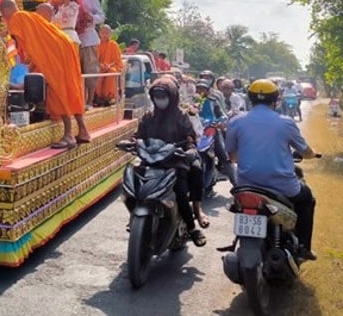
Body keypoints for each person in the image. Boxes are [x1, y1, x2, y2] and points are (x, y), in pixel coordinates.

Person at [226, 79, 318, 260]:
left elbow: (233, 157)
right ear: (276, 100)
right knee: (307, 199)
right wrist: (313, 153)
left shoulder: (236, 121)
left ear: (250, 99)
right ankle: (305, 248)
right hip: (283, 186)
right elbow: (305, 152)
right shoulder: (285, 122)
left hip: (246, 185)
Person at [0, 0, 90, 147]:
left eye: (3, 15)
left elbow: (13, 39)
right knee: (70, 88)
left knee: (58, 90)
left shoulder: (17, 17)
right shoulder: (30, 17)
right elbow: (38, 45)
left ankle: (68, 136)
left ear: (6, 10)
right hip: (64, 47)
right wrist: (31, 64)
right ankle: (83, 131)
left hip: (56, 53)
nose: (4, 19)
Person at [135, 79, 209, 246]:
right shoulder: (148, 116)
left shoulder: (181, 116)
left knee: (180, 191)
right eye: (156, 96)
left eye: (163, 96)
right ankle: (134, 216)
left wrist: (190, 147)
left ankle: (192, 228)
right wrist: (131, 142)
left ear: (172, 96)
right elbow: (138, 135)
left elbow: (190, 136)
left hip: (175, 161)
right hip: (151, 161)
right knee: (134, 183)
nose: (159, 99)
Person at [194, 79, 236, 195]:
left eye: (203, 89)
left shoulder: (213, 101)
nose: (200, 91)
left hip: (212, 132)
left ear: (208, 90)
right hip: (197, 134)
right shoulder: (191, 102)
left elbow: (222, 116)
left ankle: (237, 185)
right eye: (198, 88)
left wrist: (217, 122)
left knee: (224, 157)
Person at [76, 0, 106, 108]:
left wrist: (91, 17)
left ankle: (89, 101)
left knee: (90, 72)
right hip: (72, 41)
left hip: (88, 40)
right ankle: (78, 102)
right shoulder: (65, 2)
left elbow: (101, 17)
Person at [95, 25, 123, 107]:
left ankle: (109, 96)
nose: (104, 35)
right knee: (98, 73)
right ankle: (98, 96)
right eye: (103, 33)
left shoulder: (113, 45)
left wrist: (109, 66)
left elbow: (117, 60)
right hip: (100, 67)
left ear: (110, 34)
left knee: (112, 72)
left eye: (106, 33)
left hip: (112, 66)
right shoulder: (97, 44)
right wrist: (100, 65)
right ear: (99, 34)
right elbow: (95, 59)